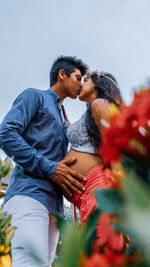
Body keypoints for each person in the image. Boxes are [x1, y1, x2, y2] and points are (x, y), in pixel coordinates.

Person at [0, 56, 88, 267]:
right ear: (62, 74)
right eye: (78, 77)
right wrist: (50, 168)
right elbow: (6, 134)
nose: (81, 83)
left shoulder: (64, 118)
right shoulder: (35, 96)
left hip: (53, 208)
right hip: (28, 196)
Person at [63, 71, 124, 248]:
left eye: (86, 80)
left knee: (105, 250)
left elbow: (115, 150)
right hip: (87, 198)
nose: (81, 83)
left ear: (98, 84)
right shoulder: (92, 110)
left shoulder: (99, 104)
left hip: (99, 192)